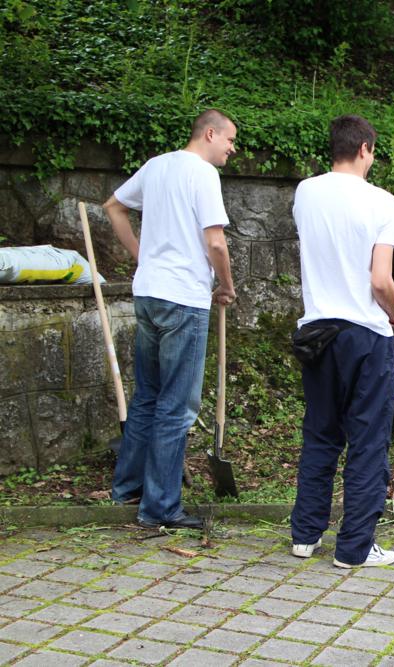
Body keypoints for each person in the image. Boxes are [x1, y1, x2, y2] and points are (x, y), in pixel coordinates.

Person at [289, 114, 394, 568]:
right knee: (367, 442)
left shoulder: (305, 192)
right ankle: (355, 548)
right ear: (364, 148)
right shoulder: (383, 201)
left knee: (320, 434)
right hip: (366, 336)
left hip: (317, 333)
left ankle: (305, 535)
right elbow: (380, 280)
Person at [104, 109, 237, 530]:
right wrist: (227, 285)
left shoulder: (156, 166)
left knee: (147, 396)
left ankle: (128, 488)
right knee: (175, 406)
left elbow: (114, 207)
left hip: (148, 293)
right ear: (210, 133)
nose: (232, 149)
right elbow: (215, 242)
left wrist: (142, 257)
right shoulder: (203, 175)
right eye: (230, 140)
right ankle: (160, 508)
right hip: (182, 298)